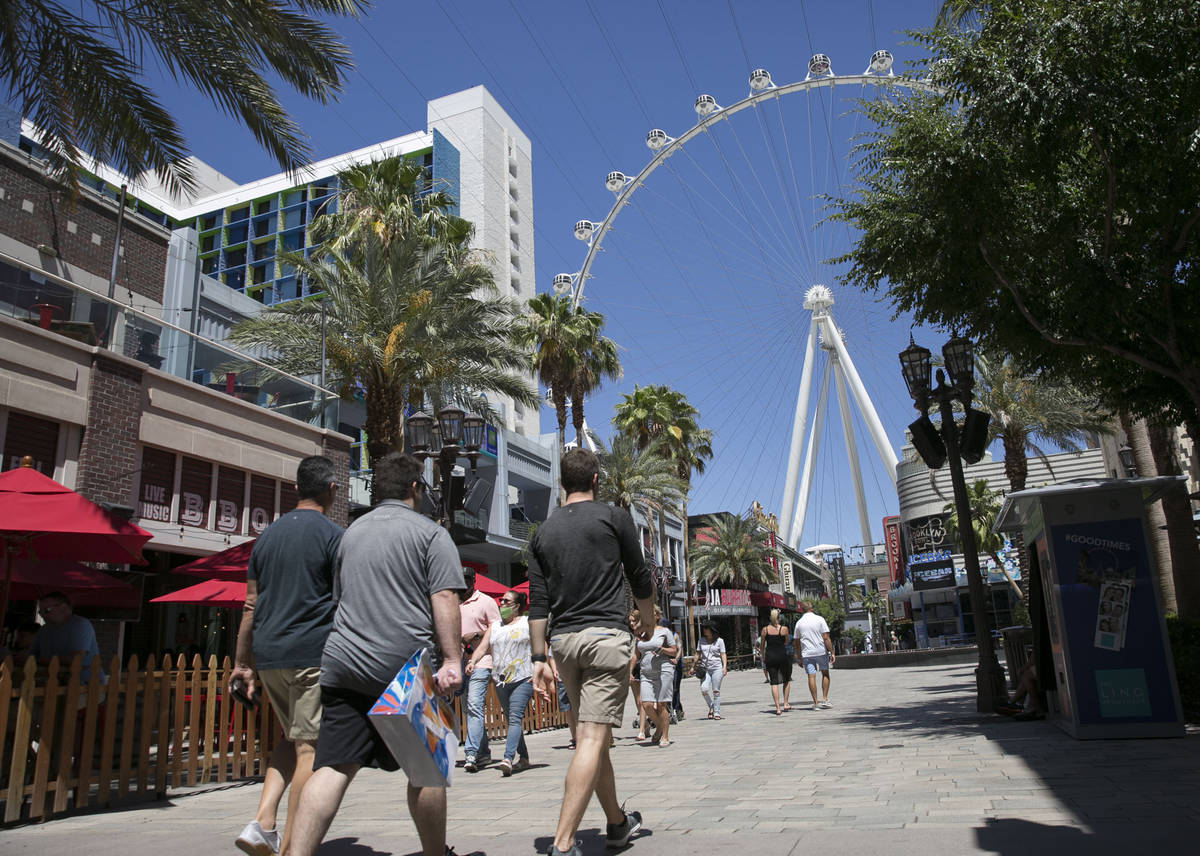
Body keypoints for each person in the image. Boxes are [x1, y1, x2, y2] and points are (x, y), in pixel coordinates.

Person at [286, 453, 465, 856]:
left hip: (344, 663)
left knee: (333, 765)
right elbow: (444, 596)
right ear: (414, 489)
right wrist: (452, 660)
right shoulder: (431, 534)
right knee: (425, 771)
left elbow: (339, 598)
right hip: (402, 670)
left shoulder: (350, 533)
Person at [528, 447, 656, 856]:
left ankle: (617, 823)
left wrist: (536, 658)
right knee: (591, 739)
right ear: (596, 480)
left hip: (564, 645)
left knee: (592, 738)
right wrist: (648, 620)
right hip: (605, 639)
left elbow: (537, 602)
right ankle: (563, 843)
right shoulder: (614, 518)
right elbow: (640, 575)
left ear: (561, 483)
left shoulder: (543, 532)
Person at [231, 454, 342, 856]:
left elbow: (249, 606)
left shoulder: (266, 537)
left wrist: (243, 664)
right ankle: (293, 847)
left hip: (269, 654)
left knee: (291, 738)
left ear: (297, 489)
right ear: (331, 490)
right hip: (311, 653)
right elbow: (343, 600)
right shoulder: (333, 536)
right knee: (310, 748)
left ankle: (263, 821)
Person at [467, 590, 534, 776]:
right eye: (501, 600)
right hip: (500, 679)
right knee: (510, 718)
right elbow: (483, 647)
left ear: (516, 606)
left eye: (505, 601)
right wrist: (472, 661)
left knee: (514, 717)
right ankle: (524, 757)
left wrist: (539, 669)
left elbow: (540, 647)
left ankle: (507, 757)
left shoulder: (527, 623)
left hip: (523, 677)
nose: (501, 603)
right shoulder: (495, 626)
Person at [459, 566, 499, 773]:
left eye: (466, 579)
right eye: (460, 579)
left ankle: (471, 753)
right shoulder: (451, 602)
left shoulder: (485, 601)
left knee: (474, 706)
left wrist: (475, 636)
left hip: (481, 661)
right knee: (468, 709)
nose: (463, 583)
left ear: (473, 581)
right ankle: (483, 752)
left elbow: (497, 630)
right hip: (458, 663)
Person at [30, 592, 105, 686]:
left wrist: (41, 660)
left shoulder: (80, 625)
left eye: (47, 611)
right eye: (40, 612)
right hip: (53, 683)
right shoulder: (44, 630)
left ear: (64, 608)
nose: (42, 615)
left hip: (85, 685)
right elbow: (30, 656)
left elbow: (74, 659)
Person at [636, 605, 677, 746]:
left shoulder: (665, 632)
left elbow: (674, 651)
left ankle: (665, 737)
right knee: (646, 705)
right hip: (646, 673)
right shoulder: (640, 634)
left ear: (657, 616)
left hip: (663, 671)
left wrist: (662, 649)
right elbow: (635, 655)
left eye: (651, 613)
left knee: (661, 704)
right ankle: (659, 727)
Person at [794, 601, 836, 711]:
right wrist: (832, 652)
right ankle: (825, 699)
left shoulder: (799, 623)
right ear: (811, 609)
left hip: (807, 653)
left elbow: (797, 642)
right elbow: (826, 637)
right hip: (820, 651)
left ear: (802, 610)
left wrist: (798, 656)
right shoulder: (820, 619)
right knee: (825, 673)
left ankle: (815, 702)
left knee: (811, 676)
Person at [759, 609, 792, 715]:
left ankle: (778, 708)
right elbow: (786, 641)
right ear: (779, 618)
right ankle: (785, 703)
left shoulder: (765, 630)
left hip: (770, 656)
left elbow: (762, 645)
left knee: (773, 682)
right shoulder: (784, 629)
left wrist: (763, 656)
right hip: (782, 656)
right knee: (786, 680)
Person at [693, 624, 727, 719]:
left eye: (706, 628)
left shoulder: (720, 641)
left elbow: (723, 654)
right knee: (704, 689)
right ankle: (711, 705)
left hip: (717, 668)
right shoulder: (701, 640)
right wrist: (693, 666)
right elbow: (698, 654)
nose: (704, 630)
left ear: (712, 629)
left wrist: (724, 667)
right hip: (705, 669)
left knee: (716, 690)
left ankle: (716, 712)